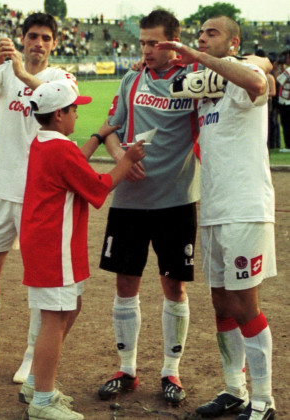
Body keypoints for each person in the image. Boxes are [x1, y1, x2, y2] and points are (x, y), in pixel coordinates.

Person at [159, 16, 277, 419]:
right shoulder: (208, 87)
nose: (203, 38)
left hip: (245, 209)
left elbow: (260, 80)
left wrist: (203, 57)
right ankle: (235, 389)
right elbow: (173, 84)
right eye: (201, 34)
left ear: (234, 42)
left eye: (212, 34)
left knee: (246, 304)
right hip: (212, 210)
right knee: (221, 303)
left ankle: (263, 400)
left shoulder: (245, 79)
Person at [0, 12, 79, 382]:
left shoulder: (59, 79)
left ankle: (29, 354)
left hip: (39, 195)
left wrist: (23, 72)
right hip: (0, 190)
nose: (38, 43)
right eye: (32, 36)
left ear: (54, 43)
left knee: (39, 281)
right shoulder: (5, 71)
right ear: (22, 38)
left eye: (45, 38)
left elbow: (54, 97)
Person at [20, 80, 145, 420]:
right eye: (74, 109)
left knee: (68, 309)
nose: (77, 114)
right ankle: (42, 401)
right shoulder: (59, 149)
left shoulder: (48, 142)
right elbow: (99, 187)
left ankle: (36, 383)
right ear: (59, 114)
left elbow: (76, 159)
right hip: (52, 244)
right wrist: (129, 157)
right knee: (55, 317)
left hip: (54, 242)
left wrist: (100, 133)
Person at [96, 10, 200, 405]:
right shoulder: (131, 79)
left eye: (155, 43)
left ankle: (171, 372)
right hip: (130, 202)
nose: (147, 50)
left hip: (176, 200)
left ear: (173, 43)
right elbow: (109, 130)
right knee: (126, 284)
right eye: (142, 43)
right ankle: (127, 368)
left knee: (174, 285)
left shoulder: (191, 82)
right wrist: (121, 155)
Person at [277, 51, 290, 150]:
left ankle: (288, 145)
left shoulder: (288, 71)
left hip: (286, 101)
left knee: (286, 124)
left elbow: (279, 80)